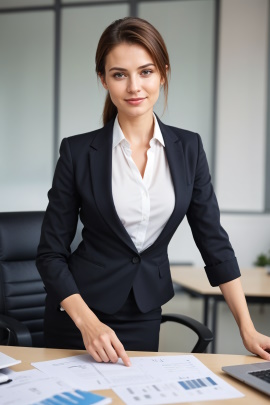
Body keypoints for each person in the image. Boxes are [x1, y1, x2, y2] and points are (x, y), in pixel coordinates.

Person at [36, 17, 270, 367]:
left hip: (144, 313)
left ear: (162, 73)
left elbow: (214, 243)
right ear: (103, 79)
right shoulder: (78, 152)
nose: (134, 86)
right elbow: (50, 253)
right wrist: (87, 323)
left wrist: (247, 328)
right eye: (119, 74)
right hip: (78, 314)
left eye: (145, 72)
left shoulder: (188, 148)